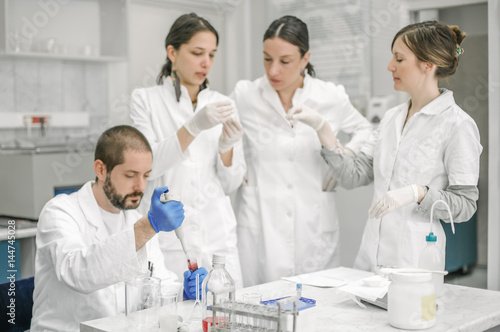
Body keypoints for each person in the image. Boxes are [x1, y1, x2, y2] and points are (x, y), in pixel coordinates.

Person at [291, 21, 482, 271]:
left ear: (428, 64)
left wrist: (418, 193)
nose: (390, 66)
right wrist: (324, 130)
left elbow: (465, 205)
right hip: (369, 260)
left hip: (416, 263)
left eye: (399, 59)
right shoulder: (392, 118)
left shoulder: (457, 125)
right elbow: (354, 176)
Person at [231, 15, 372, 286]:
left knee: (316, 309)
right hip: (260, 222)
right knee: (260, 312)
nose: (273, 71)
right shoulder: (246, 95)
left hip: (313, 223)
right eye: (266, 59)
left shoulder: (329, 96)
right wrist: (238, 161)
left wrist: (347, 156)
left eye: (285, 61)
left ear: (305, 59)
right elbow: (218, 131)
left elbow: (367, 130)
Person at [30, 125, 207, 332]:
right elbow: (78, 273)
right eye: (130, 175)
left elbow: (156, 288)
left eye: (146, 175)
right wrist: (148, 226)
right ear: (101, 169)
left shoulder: (136, 220)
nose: (140, 186)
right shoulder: (60, 212)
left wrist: (183, 294)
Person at [129, 13, 245, 287]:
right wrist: (193, 126)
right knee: (170, 318)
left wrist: (226, 148)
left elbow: (230, 183)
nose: (206, 62)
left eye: (212, 54)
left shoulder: (222, 103)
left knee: (224, 319)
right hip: (169, 237)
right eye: (197, 53)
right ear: (172, 52)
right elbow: (150, 166)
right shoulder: (145, 100)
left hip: (217, 234)